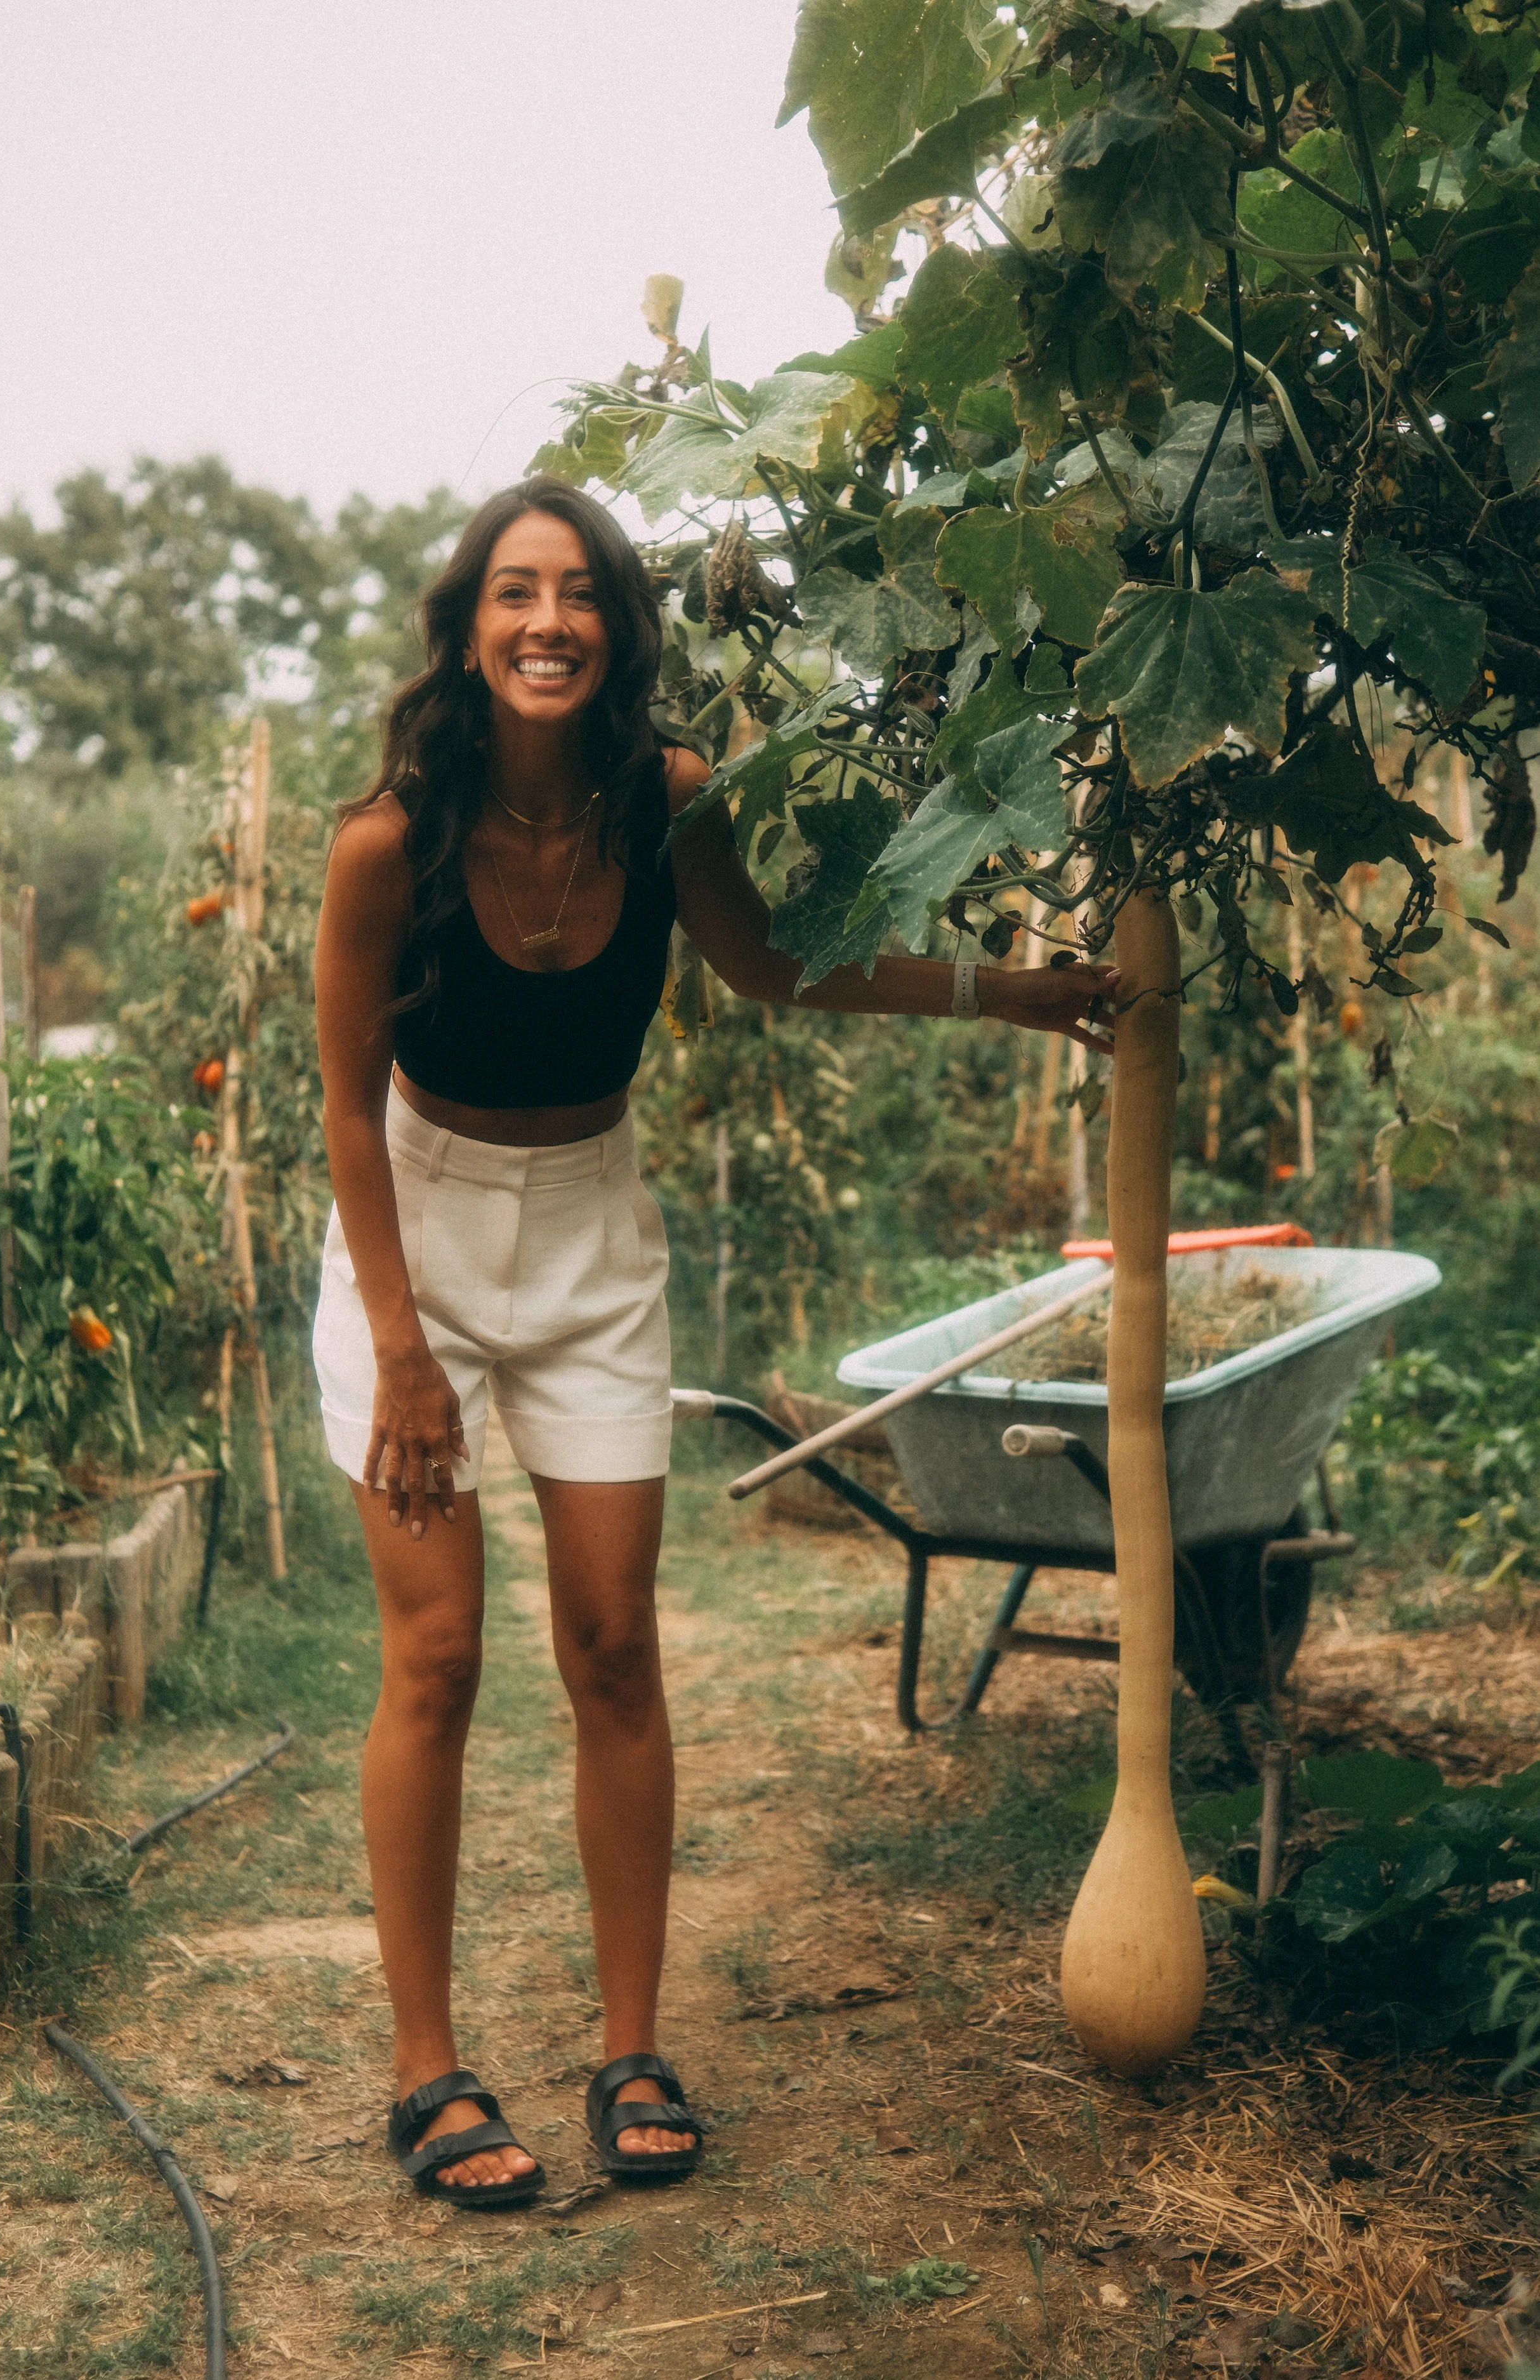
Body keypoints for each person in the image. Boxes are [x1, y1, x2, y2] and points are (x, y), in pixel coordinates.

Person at [312, 477, 1117, 2210]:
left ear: (616, 628)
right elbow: (340, 1101)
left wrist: (1017, 989)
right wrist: (398, 1342)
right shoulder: (388, 841)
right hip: (420, 1238)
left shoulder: (664, 798)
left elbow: (778, 967)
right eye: (512, 592)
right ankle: (424, 2069)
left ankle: (629, 2046)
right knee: (438, 1657)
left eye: (579, 592)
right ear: (465, 628)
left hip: (594, 1230)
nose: (547, 620)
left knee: (611, 1642)